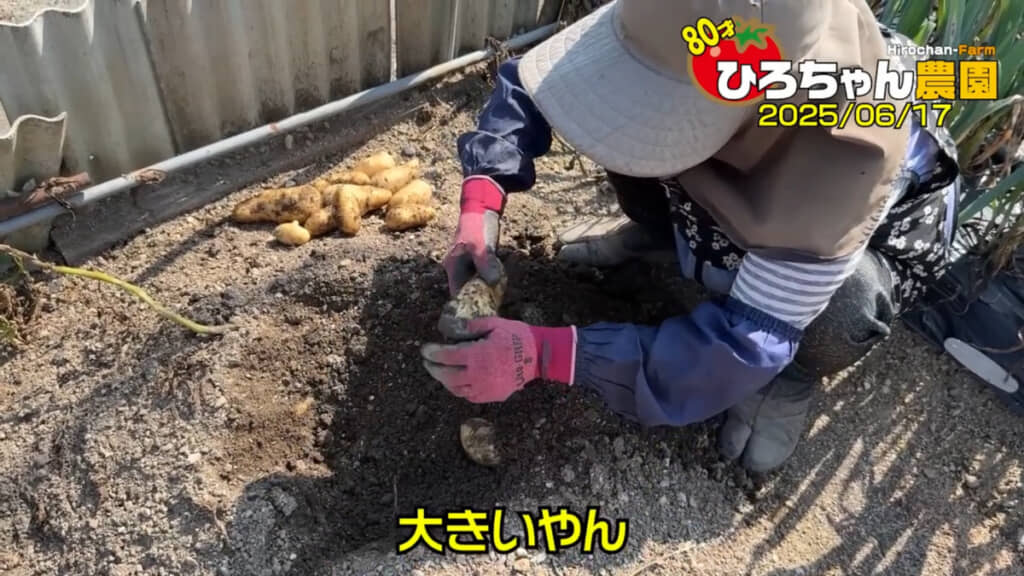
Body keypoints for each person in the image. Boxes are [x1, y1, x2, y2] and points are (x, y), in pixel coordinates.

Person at [420, 0, 962, 472]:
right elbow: (538, 82)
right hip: (746, 113)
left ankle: (797, 371)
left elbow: (744, 344)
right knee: (620, 112)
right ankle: (661, 238)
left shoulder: (840, 167)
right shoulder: (690, 24)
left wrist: (542, 355)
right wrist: (482, 197)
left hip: (855, 234)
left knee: (846, 305)